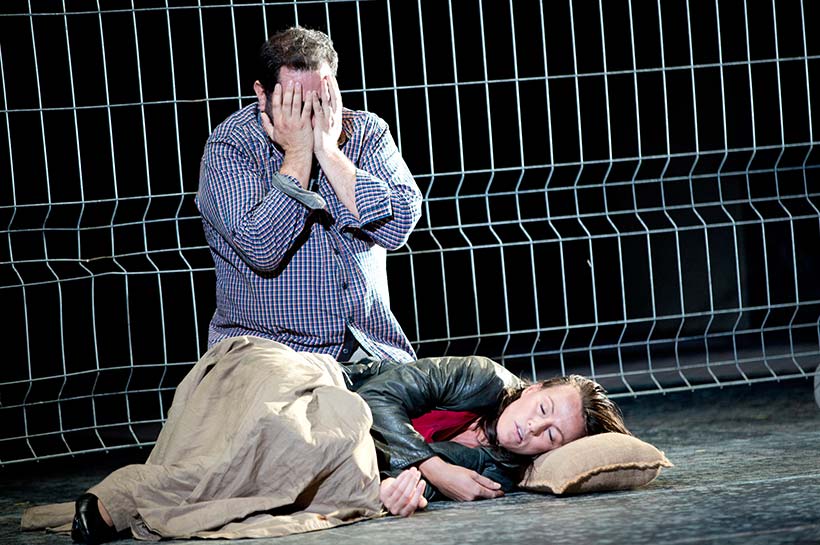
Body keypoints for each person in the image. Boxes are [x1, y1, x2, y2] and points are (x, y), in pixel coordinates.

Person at [51, 337, 629, 543]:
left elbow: (401, 481)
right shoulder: (484, 378)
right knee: (317, 431)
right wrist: (432, 467)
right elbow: (376, 398)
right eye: (543, 410)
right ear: (536, 388)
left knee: (332, 467)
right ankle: (130, 498)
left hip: (344, 450)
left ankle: (123, 500)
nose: (533, 428)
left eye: (551, 436)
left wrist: (402, 492)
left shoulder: (498, 474)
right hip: (321, 382)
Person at [196, 26, 423, 363]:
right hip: (271, 353)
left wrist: (329, 152)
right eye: (295, 103)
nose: (309, 116)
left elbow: (398, 227)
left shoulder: (366, 132)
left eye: (321, 100)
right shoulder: (231, 146)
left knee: (470, 386)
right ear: (262, 94)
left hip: (368, 346)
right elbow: (261, 248)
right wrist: (298, 154)